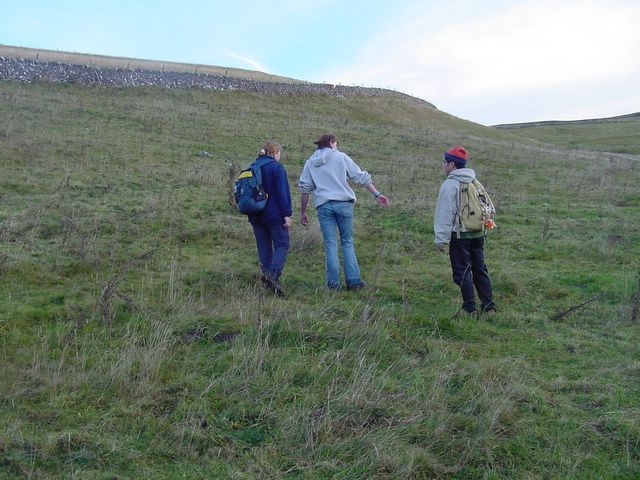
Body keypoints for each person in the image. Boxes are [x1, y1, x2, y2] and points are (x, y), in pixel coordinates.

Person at [298, 134, 389, 290]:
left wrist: (303, 212)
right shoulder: (341, 157)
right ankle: (354, 281)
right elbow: (360, 177)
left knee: (330, 244)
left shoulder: (310, 162)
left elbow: (305, 188)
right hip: (344, 204)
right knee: (347, 241)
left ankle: (333, 284)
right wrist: (376, 194)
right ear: (332, 143)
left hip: (324, 206)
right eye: (336, 143)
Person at [434, 145, 496, 315]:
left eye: (444, 161)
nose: (442, 164)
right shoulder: (474, 181)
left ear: (452, 164)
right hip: (478, 232)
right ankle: (489, 306)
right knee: (479, 269)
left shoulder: (450, 185)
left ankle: (469, 308)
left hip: (460, 235)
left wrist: (441, 239)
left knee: (462, 271)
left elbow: (444, 214)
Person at [248, 141, 292, 296]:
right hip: (274, 214)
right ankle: (272, 275)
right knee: (282, 244)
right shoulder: (276, 167)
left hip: (255, 213)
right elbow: (282, 192)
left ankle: (266, 282)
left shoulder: (253, 166)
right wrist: (287, 214)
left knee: (264, 247)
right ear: (275, 153)